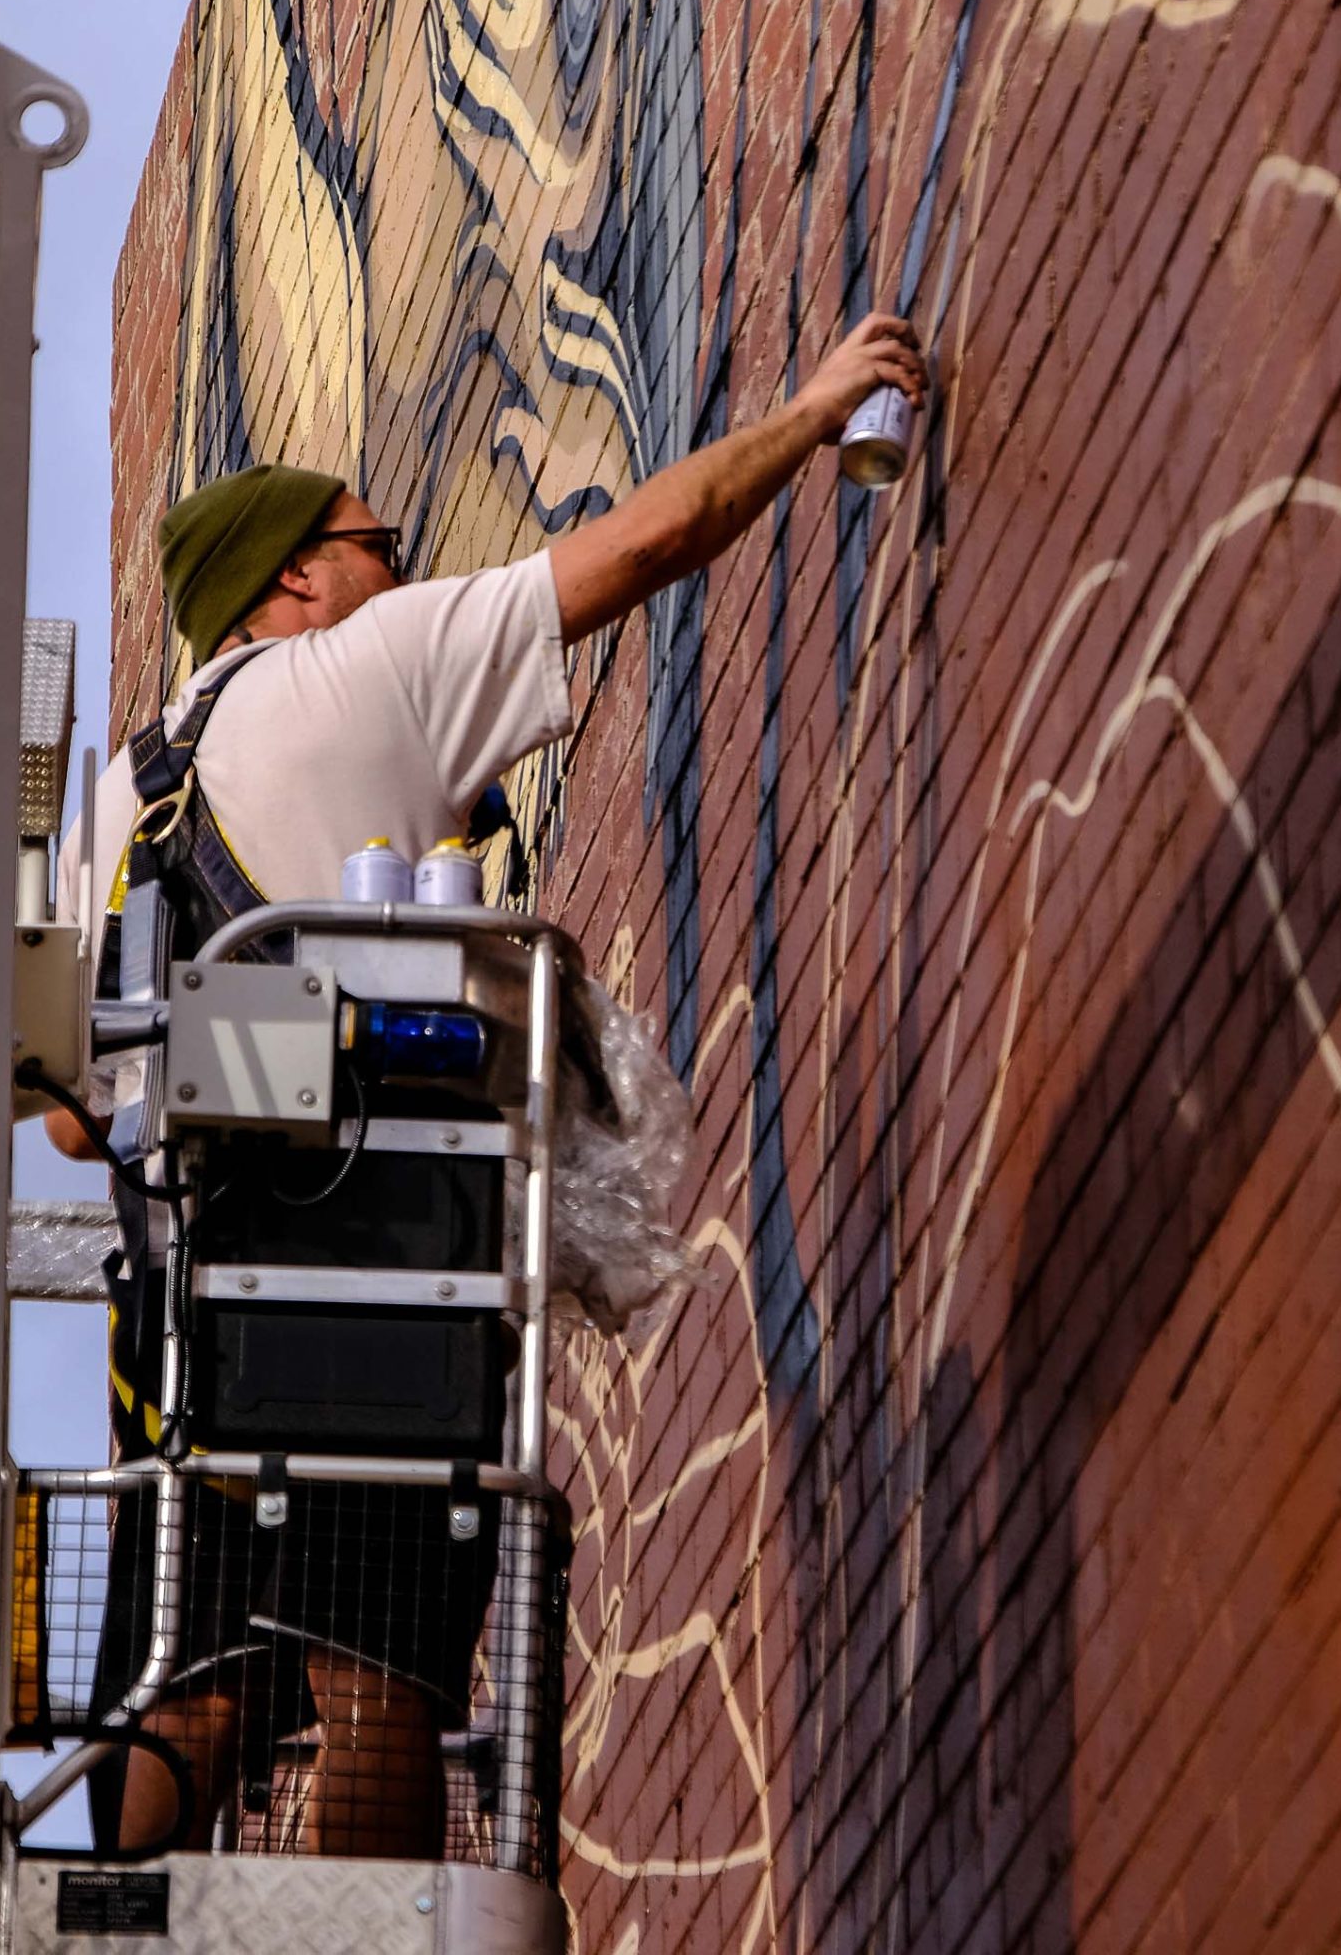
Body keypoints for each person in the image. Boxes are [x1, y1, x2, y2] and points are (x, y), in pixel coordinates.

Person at [49, 309, 926, 1857]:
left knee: (188, 1673)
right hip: (368, 1258)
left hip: (170, 1314)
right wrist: (809, 415)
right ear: (295, 581)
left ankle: (124, 1920)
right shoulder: (357, 667)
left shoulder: (119, 798)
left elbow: (67, 1106)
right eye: (376, 540)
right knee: (379, 1666)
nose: (399, 568)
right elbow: (648, 542)